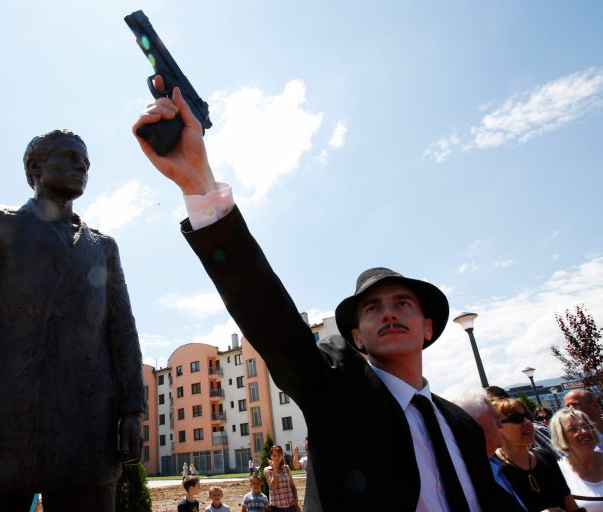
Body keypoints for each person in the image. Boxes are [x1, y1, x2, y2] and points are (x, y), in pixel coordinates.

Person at [133, 77, 499, 510]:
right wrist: (198, 181)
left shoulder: (463, 426)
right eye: (372, 308)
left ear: (429, 326)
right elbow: (264, 307)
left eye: (403, 303)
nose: (389, 314)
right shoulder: (336, 390)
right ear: (356, 338)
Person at [0, 130, 146, 512]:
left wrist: (132, 410)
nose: (81, 165)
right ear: (34, 166)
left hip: (87, 432)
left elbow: (122, 332)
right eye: (68, 157)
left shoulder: (103, 247)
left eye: (85, 161)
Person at [446, 387, 528, 511]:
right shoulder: (463, 481)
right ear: (472, 423)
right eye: (494, 417)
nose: (500, 424)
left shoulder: (497, 466)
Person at [491, 397, 577, 511]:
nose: (527, 422)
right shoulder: (494, 469)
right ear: (497, 426)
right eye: (516, 418)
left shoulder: (546, 457)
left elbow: (569, 502)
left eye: (528, 416)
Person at [551, 407, 603, 510]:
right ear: (561, 436)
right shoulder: (557, 472)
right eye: (573, 429)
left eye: (587, 426)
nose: (584, 431)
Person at [263, 446, 298, 512]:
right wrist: (274, 470)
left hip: (291, 506)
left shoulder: (286, 468)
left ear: (282, 456)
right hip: (276, 508)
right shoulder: (267, 470)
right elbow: (273, 486)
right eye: (274, 455)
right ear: (271, 456)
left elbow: (292, 485)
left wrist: (296, 499)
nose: (276, 457)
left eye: (278, 455)